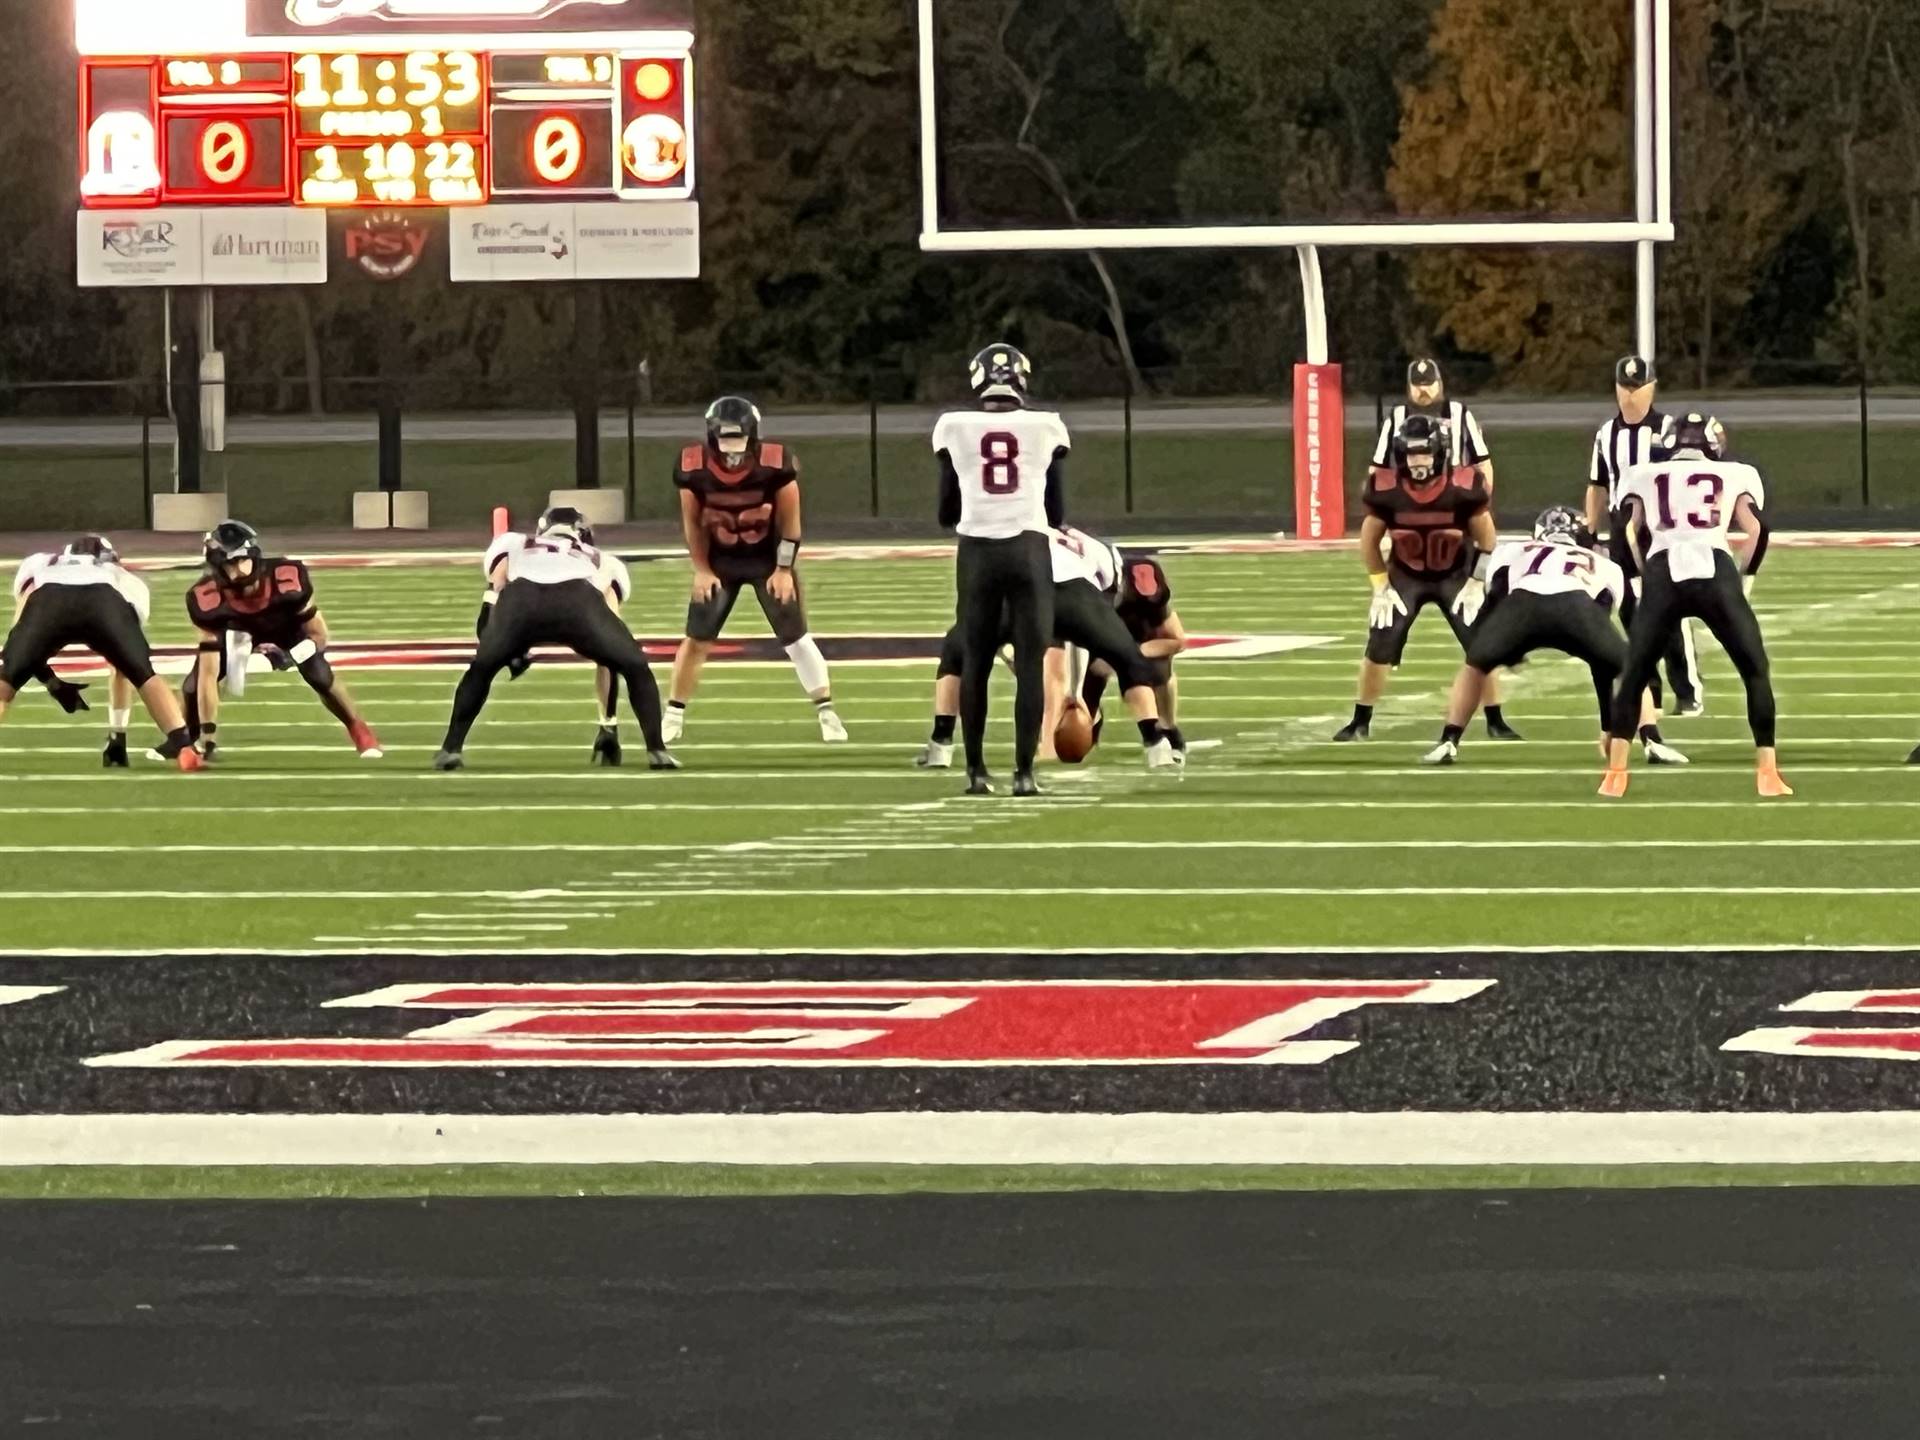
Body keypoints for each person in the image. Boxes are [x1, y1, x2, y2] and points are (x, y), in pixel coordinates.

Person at [1601, 414, 1786, 798]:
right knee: (1754, 669)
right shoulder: (1737, 474)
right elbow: (1758, 530)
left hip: (1663, 569)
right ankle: (1767, 772)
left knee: (1635, 673)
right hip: (1714, 567)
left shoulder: (1643, 474)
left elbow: (1627, 531)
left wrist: (1638, 579)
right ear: (1714, 444)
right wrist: (1744, 579)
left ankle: (1615, 773)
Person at [1421, 507, 1686, 767]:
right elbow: (1602, 659)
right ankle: (1653, 740)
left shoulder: (1513, 551)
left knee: (1475, 665)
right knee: (1629, 670)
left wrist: (1496, 647)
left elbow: (1497, 596)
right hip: (1577, 608)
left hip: (1523, 605)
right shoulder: (1605, 565)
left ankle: (1449, 740)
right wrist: (1609, 726)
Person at [915, 526, 1177, 772]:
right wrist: (1074, 694)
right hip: (1074, 592)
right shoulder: (1101, 558)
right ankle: (1156, 743)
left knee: (956, 647)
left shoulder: (1013, 537)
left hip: (1020, 592)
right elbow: (1076, 641)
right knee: (1128, 658)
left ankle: (941, 743)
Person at [663, 397, 846, 747]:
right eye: (725, 440)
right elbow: (693, 525)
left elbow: (790, 525)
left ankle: (827, 711)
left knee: (795, 635)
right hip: (720, 560)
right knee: (697, 636)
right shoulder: (693, 466)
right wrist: (701, 569)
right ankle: (673, 714)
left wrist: (782, 569)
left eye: (738, 439)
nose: (731, 450)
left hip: (766, 558)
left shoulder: (775, 463)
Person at [434, 508, 673, 772]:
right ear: (583, 534)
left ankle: (451, 748)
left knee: (481, 670)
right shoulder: (604, 560)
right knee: (636, 665)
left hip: (522, 601)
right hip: (578, 603)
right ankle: (657, 750)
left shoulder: (515, 542)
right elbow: (610, 655)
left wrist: (500, 648)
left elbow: (495, 588)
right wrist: (609, 724)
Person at [933, 343, 1068, 796]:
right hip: (1029, 548)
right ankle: (1025, 773)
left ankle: (975, 772)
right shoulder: (1046, 425)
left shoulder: (953, 425)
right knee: (1031, 665)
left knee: (976, 662)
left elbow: (945, 509)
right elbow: (1057, 507)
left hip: (977, 551)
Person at [1333, 412, 1517, 741]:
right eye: (1411, 453)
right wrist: (1380, 586)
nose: (1418, 461)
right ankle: (1360, 720)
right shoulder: (1385, 488)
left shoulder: (1463, 486)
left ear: (1440, 452)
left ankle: (1496, 719)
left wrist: (1476, 581)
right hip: (1406, 574)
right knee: (1381, 640)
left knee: (1483, 645)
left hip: (1455, 573)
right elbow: (1369, 540)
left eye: (1424, 453)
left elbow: (1488, 539)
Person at [185, 521, 381, 761]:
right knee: (192, 687)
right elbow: (208, 673)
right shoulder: (207, 599)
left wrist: (293, 654)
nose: (239, 569)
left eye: (241, 561)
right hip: (235, 632)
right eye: (230, 564)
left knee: (319, 674)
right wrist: (209, 735)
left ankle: (358, 728)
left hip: (287, 629)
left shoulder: (285, 580)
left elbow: (319, 635)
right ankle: (190, 742)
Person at [0, 535, 199, 770]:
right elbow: (123, 667)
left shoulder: (41, 563)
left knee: (5, 683)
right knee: (145, 676)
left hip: (48, 600)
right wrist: (118, 736)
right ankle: (184, 747)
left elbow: (23, 633)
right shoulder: (122, 577)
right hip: (104, 603)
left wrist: (51, 682)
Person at [1585, 355, 1702, 715]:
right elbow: (1598, 484)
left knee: (1670, 609)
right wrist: (1591, 530)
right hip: (1623, 526)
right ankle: (1650, 689)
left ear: (1652, 387)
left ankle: (1686, 689)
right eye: (1625, 387)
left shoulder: (1669, 427)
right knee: (1631, 611)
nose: (1631, 395)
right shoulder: (1607, 433)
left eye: (1638, 387)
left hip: (1660, 526)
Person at [1370, 357, 1493, 494]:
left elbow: (1482, 462)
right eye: (1417, 385)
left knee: (1482, 516)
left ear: (1439, 384)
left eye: (1428, 384)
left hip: (1455, 495)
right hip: (1406, 496)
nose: (1423, 389)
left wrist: (1485, 498)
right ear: (1408, 386)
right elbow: (1377, 466)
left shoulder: (1459, 412)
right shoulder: (1396, 416)